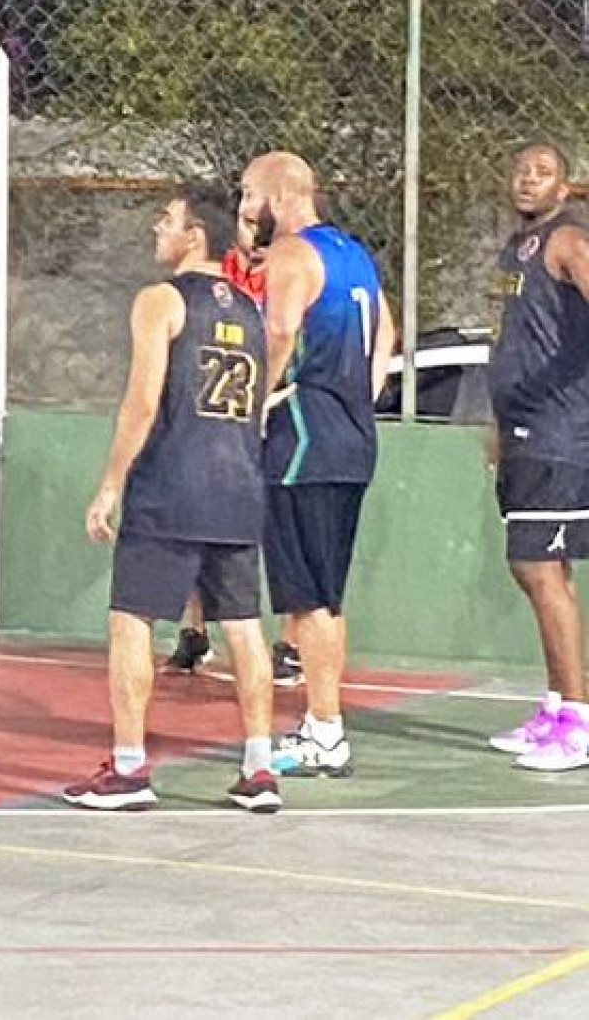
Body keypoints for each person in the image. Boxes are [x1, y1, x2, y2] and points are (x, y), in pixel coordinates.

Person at [64, 184, 281, 814]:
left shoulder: (159, 301)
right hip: (239, 486)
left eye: (167, 220)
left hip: (173, 484)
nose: (157, 229)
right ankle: (260, 769)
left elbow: (143, 399)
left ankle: (130, 768)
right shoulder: (250, 307)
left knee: (132, 619)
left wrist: (110, 482)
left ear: (195, 236)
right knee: (243, 626)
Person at [241, 151, 395, 779]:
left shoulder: (290, 255)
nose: (246, 208)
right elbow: (388, 330)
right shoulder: (353, 253)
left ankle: (326, 733)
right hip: (351, 438)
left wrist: (256, 403)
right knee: (324, 596)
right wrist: (362, 390)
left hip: (304, 440)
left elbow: (279, 330)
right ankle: (322, 725)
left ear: (279, 196)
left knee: (308, 597)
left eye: (251, 194)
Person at [483, 142, 589, 773]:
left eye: (542, 173)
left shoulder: (568, 240)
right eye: (521, 169)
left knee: (539, 569)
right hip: (522, 431)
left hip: (560, 432)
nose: (528, 180)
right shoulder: (516, 248)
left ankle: (578, 720)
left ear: (566, 185)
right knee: (536, 569)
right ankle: (556, 706)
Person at [166, 218, 303, 689]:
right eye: (243, 224)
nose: (251, 238)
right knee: (201, 523)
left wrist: (265, 396)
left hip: (271, 417)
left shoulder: (281, 277)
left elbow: (284, 336)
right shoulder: (217, 283)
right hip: (218, 429)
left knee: (277, 534)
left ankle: (289, 643)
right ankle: (193, 631)